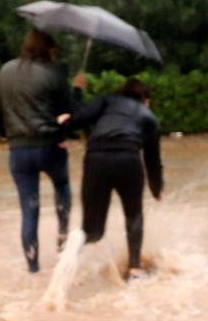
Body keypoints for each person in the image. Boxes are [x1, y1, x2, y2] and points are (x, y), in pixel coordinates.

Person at [0, 30, 82, 273]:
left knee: (29, 210)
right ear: (48, 49)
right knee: (62, 190)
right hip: (50, 147)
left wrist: (5, 134)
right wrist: (78, 90)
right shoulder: (55, 72)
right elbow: (70, 112)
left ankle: (33, 267)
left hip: (19, 152)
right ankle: (62, 244)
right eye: (54, 50)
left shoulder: (6, 70)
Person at [59, 78, 164, 280]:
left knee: (93, 230)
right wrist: (156, 187)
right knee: (133, 215)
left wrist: (77, 92)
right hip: (128, 159)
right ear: (145, 99)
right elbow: (152, 158)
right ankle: (134, 269)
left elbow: (78, 120)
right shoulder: (148, 115)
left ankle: (74, 243)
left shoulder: (106, 101)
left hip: (96, 159)